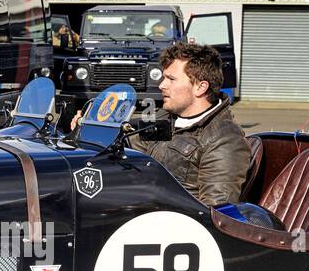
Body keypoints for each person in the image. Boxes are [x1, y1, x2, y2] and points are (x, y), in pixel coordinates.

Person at [75, 43, 250, 205]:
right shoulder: (166, 116)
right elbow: (128, 141)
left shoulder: (225, 139)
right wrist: (90, 127)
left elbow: (215, 212)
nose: (161, 85)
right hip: (136, 203)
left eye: (171, 79)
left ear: (200, 87)